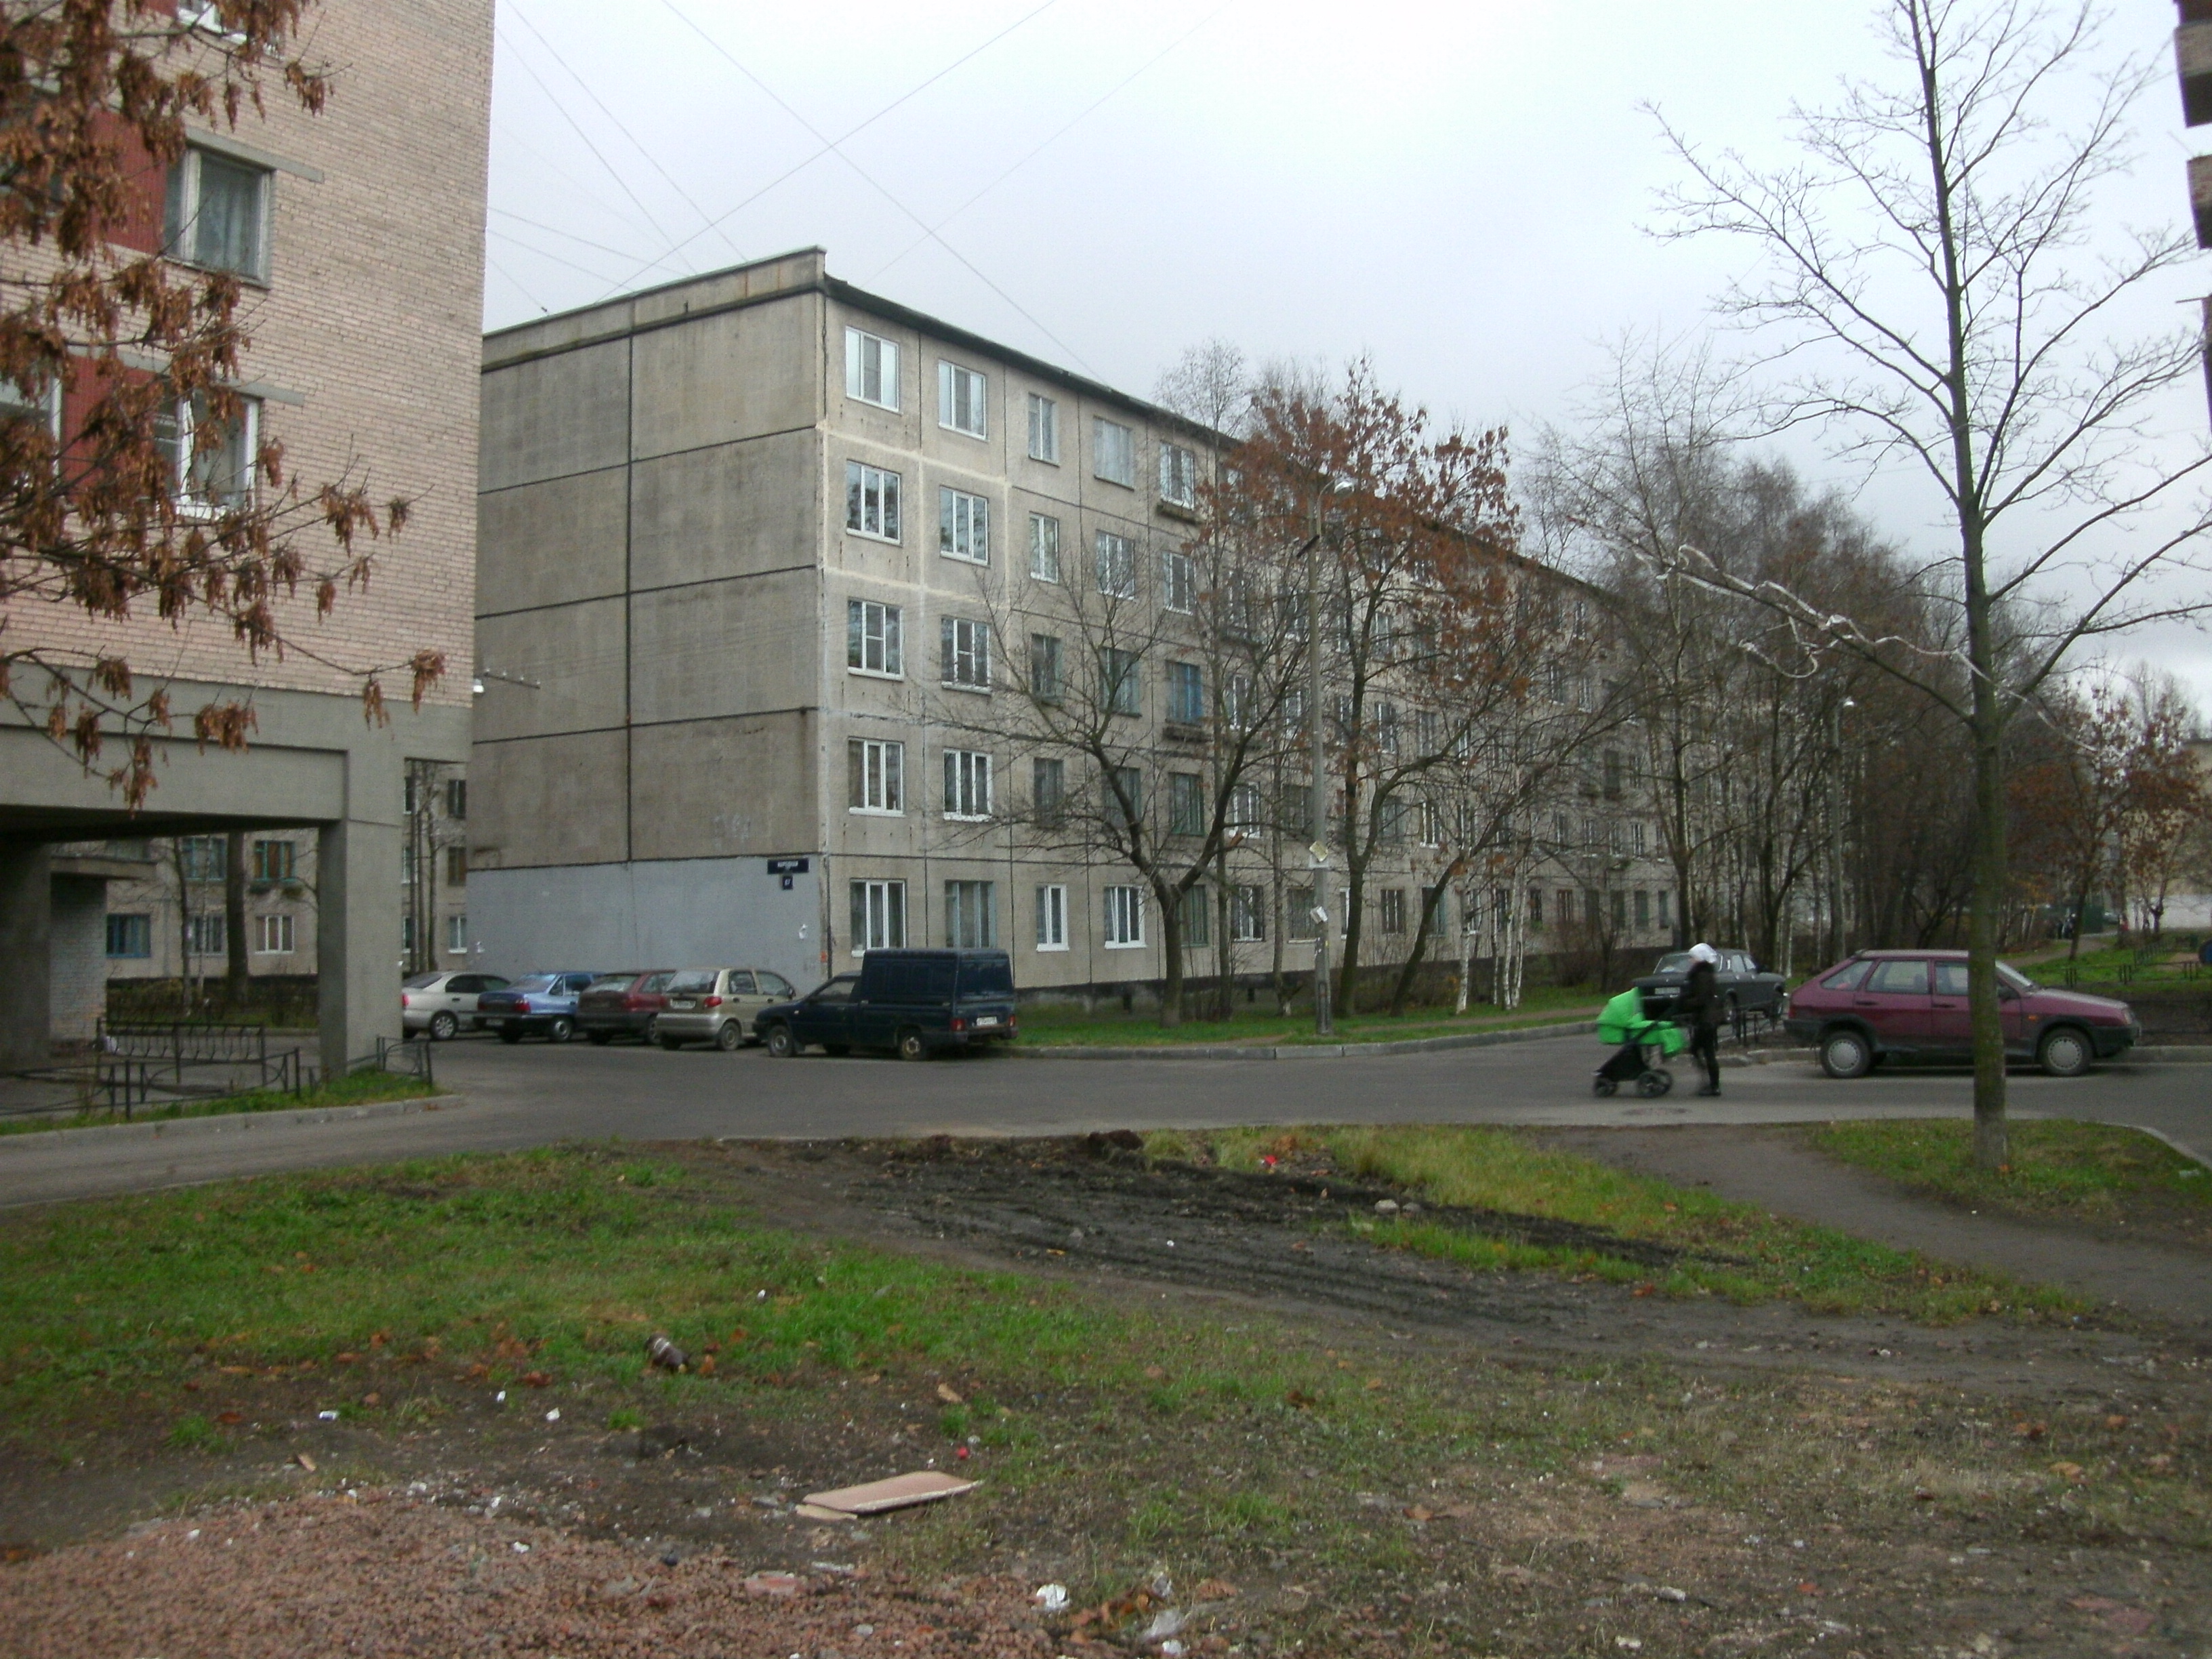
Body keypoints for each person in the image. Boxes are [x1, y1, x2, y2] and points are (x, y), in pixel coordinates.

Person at [1677, 942, 1723, 1097]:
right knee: (1701, 1050)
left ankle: (1712, 1085)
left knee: (1704, 1052)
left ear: (1700, 958)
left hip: (1706, 1019)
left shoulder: (1702, 975)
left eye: (1693, 958)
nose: (1691, 961)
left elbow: (1702, 999)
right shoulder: (1705, 973)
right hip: (1708, 1018)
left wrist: (1684, 1003)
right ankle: (1710, 1083)